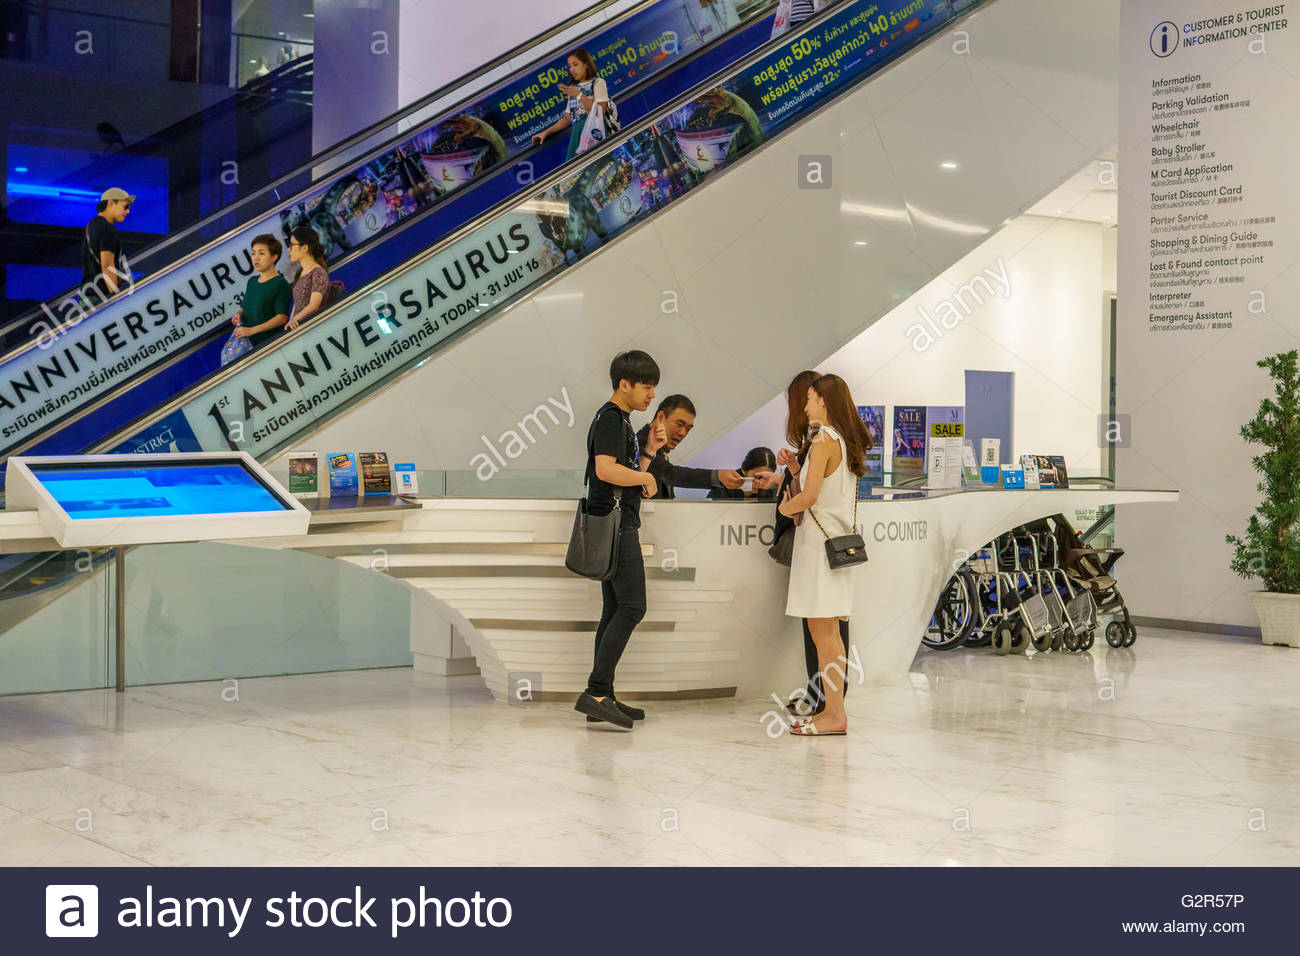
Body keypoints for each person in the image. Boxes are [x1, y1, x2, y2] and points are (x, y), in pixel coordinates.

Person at [574, 350, 666, 730]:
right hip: (617, 526)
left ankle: (603, 697)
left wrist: (649, 454)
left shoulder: (619, 420)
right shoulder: (612, 418)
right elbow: (605, 469)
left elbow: (621, 471)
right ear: (623, 384)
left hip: (611, 521)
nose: (652, 394)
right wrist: (645, 478)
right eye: (646, 385)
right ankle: (596, 692)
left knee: (614, 610)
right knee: (632, 607)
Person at [778, 373, 871, 736]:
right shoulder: (843, 442)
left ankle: (835, 713)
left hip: (819, 551)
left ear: (824, 402)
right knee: (827, 633)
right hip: (833, 548)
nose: (805, 404)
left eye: (811, 398)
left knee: (825, 634)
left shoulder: (823, 441)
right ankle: (833, 710)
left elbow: (810, 496)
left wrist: (787, 509)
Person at [636, 394, 749, 498]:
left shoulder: (661, 452)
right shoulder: (640, 445)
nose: (682, 433)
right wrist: (717, 476)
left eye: (688, 429)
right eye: (679, 424)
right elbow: (671, 474)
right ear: (660, 417)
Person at [530, 48, 618, 159]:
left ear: (586, 65)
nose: (572, 70)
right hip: (578, 134)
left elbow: (600, 110)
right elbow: (567, 119)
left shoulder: (598, 83)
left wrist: (579, 95)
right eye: (570, 66)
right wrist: (546, 132)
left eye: (575, 65)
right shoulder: (573, 89)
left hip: (595, 132)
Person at [229, 234, 292, 353]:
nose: (256, 258)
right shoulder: (252, 281)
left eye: (261, 253)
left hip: (272, 346)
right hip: (249, 347)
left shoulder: (280, 284)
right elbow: (244, 306)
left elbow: (282, 318)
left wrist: (252, 330)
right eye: (253, 253)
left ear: (274, 257)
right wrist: (238, 315)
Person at [82, 187, 133, 303]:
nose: (128, 211)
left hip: (88, 294)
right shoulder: (107, 229)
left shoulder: (91, 226)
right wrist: (115, 299)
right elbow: (107, 266)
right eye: (125, 206)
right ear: (110, 203)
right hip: (101, 296)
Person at [285, 226, 330, 331]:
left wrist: (295, 319)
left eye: (292, 245)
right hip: (300, 328)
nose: (289, 249)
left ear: (304, 248)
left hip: (315, 328)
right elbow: (297, 303)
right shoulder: (300, 273)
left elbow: (314, 305)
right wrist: (291, 320)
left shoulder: (318, 272)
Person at [708, 446, 780, 500]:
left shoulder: (773, 485)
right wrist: (743, 495)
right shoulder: (724, 485)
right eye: (758, 476)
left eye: (767, 477)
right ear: (745, 470)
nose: (762, 482)